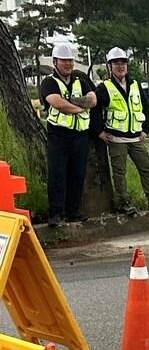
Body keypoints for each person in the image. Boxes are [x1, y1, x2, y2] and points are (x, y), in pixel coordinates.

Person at [94, 48, 149, 214]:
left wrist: (145, 130)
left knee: (146, 167)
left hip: (136, 137)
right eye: (116, 63)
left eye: (123, 63)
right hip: (116, 138)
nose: (120, 66)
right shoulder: (105, 87)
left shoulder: (135, 85)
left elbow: (146, 109)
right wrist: (99, 131)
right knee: (119, 173)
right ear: (109, 66)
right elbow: (94, 110)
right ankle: (124, 202)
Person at [39, 42, 98, 226]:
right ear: (55, 62)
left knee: (77, 174)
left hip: (80, 135)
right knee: (57, 175)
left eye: (70, 61)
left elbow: (93, 100)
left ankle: (73, 211)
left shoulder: (81, 79)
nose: (68, 65)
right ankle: (56, 213)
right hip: (59, 136)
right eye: (64, 61)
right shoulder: (49, 82)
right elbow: (57, 103)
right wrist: (80, 107)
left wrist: (74, 103)